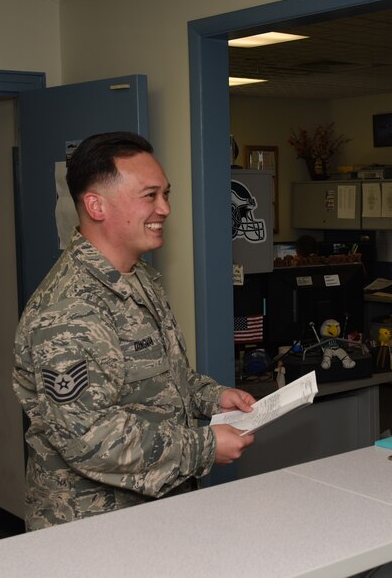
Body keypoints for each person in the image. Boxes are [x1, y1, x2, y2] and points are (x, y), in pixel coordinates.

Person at [13, 132, 256, 530]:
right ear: (96, 205)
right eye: (150, 195)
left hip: (153, 510)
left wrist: (214, 397)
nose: (165, 208)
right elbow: (90, 436)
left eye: (166, 193)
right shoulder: (69, 309)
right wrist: (205, 446)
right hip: (95, 526)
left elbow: (160, 380)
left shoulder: (137, 277)